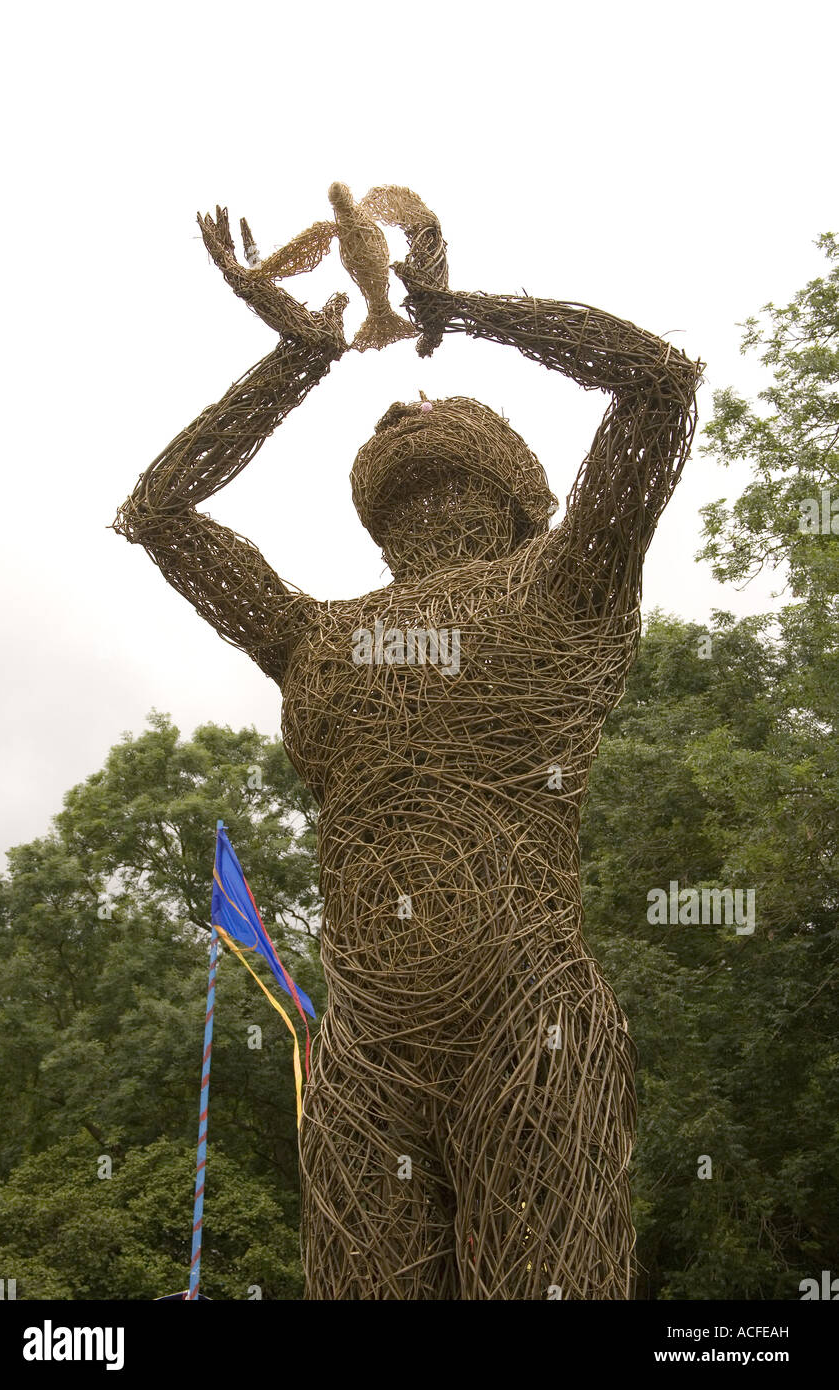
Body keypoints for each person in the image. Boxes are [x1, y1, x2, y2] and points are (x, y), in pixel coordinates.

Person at [115, 202, 702, 1299]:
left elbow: (659, 383)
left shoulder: (566, 585)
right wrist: (297, 357)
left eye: (446, 403)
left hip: (529, 1027)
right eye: (392, 410)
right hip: (363, 1055)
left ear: (534, 491)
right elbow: (153, 513)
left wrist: (454, 309)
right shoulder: (316, 639)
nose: (407, 400)